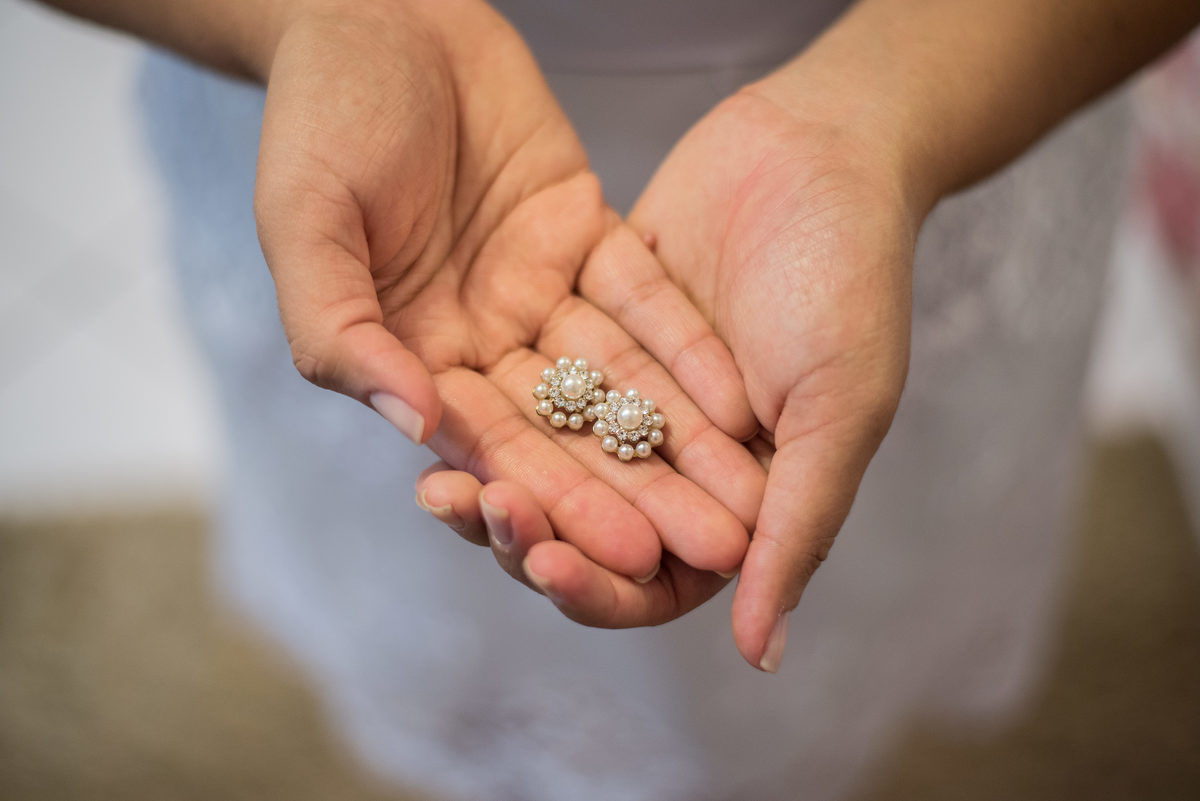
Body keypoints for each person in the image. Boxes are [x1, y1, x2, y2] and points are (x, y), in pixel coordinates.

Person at [36, 0, 1200, 798]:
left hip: (935, 86)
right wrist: (310, 19)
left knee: (851, 599)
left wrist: (882, 111)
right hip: (390, 147)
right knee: (446, 611)